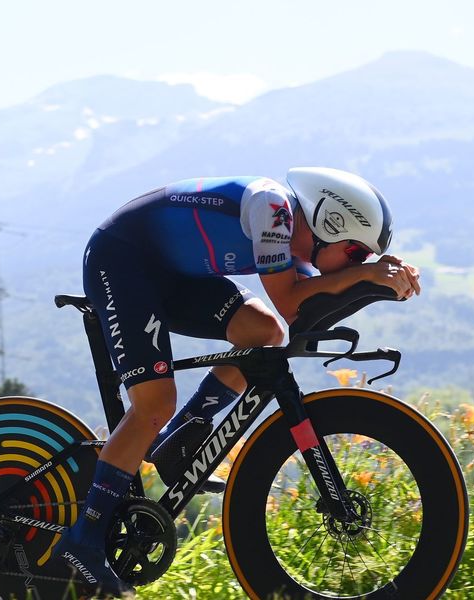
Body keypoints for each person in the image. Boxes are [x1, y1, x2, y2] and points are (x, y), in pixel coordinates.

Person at [52, 167, 421, 596]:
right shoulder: (273, 210)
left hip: (171, 275)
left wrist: (376, 284)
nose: (359, 263)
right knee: (153, 403)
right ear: (330, 223)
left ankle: (181, 435)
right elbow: (289, 300)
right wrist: (364, 278)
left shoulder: (298, 249)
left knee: (264, 334)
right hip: (122, 259)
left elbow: (303, 317)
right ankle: (83, 540)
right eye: (357, 253)